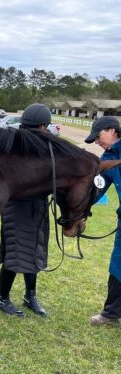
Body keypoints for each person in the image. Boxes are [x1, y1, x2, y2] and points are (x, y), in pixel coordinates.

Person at [0, 103, 52, 317]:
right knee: (15, 252)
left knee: (35, 249)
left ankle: (30, 295)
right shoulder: (15, 145)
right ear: (43, 125)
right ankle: (2, 297)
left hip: (37, 206)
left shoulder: (44, 146)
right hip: (16, 206)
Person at [85, 116, 121, 326]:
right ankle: (111, 315)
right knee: (118, 264)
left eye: (98, 137)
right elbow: (97, 189)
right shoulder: (108, 158)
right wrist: (80, 204)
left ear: (112, 130)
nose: (97, 142)